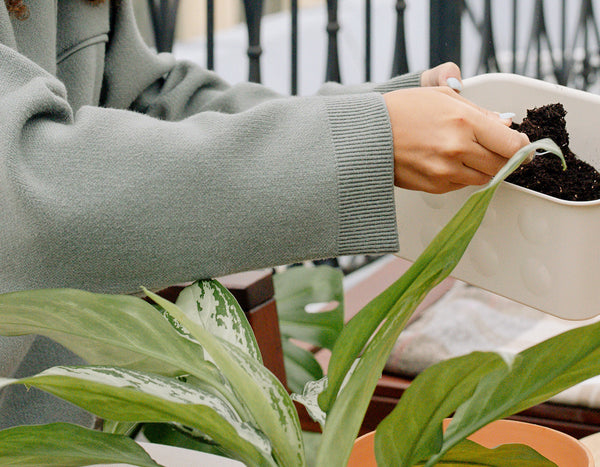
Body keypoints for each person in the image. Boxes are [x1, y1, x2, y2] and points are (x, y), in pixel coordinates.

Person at [0, 0, 529, 428]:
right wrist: (366, 141)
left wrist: (374, 114)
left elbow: (145, 101)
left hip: (56, 428)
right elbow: (32, 181)